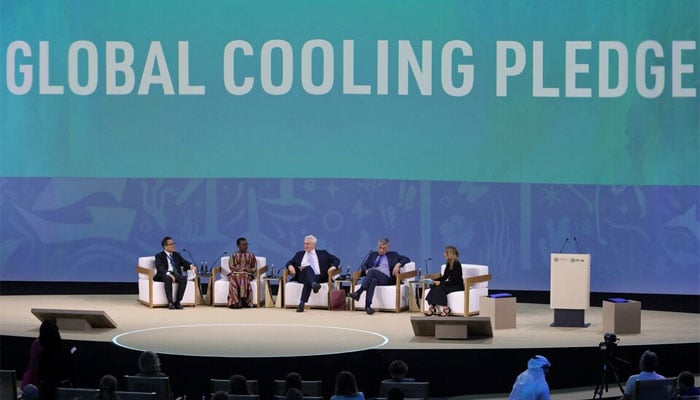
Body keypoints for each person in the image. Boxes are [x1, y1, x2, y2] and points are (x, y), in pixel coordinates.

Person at [349, 238, 410, 315]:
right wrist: (366, 271)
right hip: (375, 277)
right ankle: (368, 307)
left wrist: (398, 264)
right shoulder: (372, 255)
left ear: (388, 248)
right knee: (373, 280)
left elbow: (407, 259)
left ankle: (358, 293)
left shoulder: (393, 255)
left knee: (372, 271)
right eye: (380, 248)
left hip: (387, 279)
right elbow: (364, 265)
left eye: (384, 248)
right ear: (378, 247)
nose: (381, 250)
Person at [21, 320, 75, 400]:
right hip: (62, 387)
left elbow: (40, 373)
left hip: (48, 389)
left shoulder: (42, 351)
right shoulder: (65, 349)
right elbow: (71, 369)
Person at [286, 234, 340, 312]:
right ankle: (314, 285)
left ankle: (302, 303)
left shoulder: (323, 253)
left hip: (319, 277)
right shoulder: (299, 254)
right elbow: (289, 262)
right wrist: (290, 266)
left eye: (308, 244)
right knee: (308, 268)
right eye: (304, 243)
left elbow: (336, 260)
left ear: (314, 244)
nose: (305, 245)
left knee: (308, 280)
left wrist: (333, 267)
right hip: (302, 276)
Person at [154, 236, 197, 310]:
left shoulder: (177, 255)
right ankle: (170, 302)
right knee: (168, 278)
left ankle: (178, 302)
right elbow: (159, 268)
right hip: (164, 274)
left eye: (173, 243)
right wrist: (168, 273)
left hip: (175, 273)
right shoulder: (159, 255)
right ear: (165, 246)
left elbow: (184, 262)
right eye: (171, 244)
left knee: (183, 278)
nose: (173, 245)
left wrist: (191, 266)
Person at [424, 246, 464, 317]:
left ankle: (445, 308)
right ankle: (432, 307)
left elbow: (455, 281)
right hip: (451, 284)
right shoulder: (448, 263)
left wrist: (441, 283)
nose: (444, 254)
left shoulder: (457, 264)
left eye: (445, 252)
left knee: (441, 288)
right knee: (434, 286)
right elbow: (444, 277)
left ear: (450, 254)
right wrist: (434, 281)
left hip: (457, 286)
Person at [227, 237, 258, 308]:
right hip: (236, 273)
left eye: (247, 244)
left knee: (242, 276)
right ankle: (234, 301)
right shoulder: (233, 255)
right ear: (238, 246)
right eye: (243, 244)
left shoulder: (251, 255)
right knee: (233, 278)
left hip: (247, 274)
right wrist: (239, 269)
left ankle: (242, 300)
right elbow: (231, 266)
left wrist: (249, 270)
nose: (246, 246)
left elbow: (255, 268)